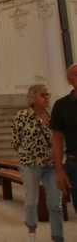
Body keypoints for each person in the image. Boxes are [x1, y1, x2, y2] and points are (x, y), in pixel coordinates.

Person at [11, 84, 63, 242]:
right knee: (31, 200)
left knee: (55, 203)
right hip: (30, 164)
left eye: (48, 94)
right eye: (43, 95)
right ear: (33, 98)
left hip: (52, 165)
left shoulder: (54, 117)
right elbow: (15, 140)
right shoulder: (22, 116)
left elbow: (59, 140)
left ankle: (58, 237)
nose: (47, 97)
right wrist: (28, 153)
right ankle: (31, 232)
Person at [50, 64, 77, 216]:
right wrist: (59, 170)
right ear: (69, 80)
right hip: (74, 165)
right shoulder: (62, 106)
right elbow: (57, 139)